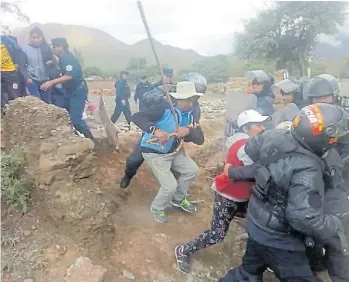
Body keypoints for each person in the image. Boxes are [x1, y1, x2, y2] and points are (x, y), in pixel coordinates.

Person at [219, 103, 348, 282]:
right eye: (336, 137)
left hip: (257, 223)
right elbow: (303, 218)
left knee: (248, 272)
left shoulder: (275, 135)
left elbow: (251, 148)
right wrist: (335, 223)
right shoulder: (308, 170)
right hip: (280, 240)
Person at [174, 109, 269, 273]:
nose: (263, 128)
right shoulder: (245, 146)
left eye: (263, 124)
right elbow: (256, 171)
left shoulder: (244, 141)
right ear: (246, 129)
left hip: (241, 194)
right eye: (258, 125)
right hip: (229, 195)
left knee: (252, 222)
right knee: (217, 234)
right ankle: (184, 250)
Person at [132, 81, 204, 223]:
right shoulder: (163, 109)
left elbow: (200, 139)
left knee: (192, 170)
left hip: (174, 151)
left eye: (192, 100)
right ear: (178, 99)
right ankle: (157, 207)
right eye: (186, 100)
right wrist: (156, 130)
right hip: (155, 153)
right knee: (170, 186)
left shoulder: (191, 114)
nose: (189, 103)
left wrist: (188, 130)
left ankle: (178, 199)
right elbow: (137, 117)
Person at [119, 72, 207, 189]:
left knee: (176, 165)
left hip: (173, 140)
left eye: (196, 97)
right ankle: (128, 175)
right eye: (191, 96)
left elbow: (196, 131)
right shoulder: (166, 96)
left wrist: (188, 130)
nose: (193, 100)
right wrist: (155, 128)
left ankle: (174, 192)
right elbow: (146, 100)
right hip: (154, 133)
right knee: (134, 160)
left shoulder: (195, 110)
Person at [40, 37, 93, 140]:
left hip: (77, 92)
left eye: (54, 47)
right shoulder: (63, 58)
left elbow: (69, 76)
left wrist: (51, 82)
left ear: (60, 47)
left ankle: (91, 139)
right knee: (65, 115)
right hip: (69, 91)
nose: (53, 49)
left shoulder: (68, 59)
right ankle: (74, 137)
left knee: (76, 119)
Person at [22, 27, 54, 103]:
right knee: (36, 101)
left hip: (45, 80)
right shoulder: (26, 49)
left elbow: (54, 63)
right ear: (30, 38)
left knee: (46, 103)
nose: (36, 39)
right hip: (32, 80)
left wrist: (51, 63)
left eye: (38, 37)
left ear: (41, 37)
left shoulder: (46, 48)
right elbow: (22, 65)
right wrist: (27, 78)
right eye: (34, 37)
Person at [1, 34, 27, 110]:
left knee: (15, 94)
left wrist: (18, 63)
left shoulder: (7, 40)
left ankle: (17, 112)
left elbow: (19, 52)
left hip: (11, 71)